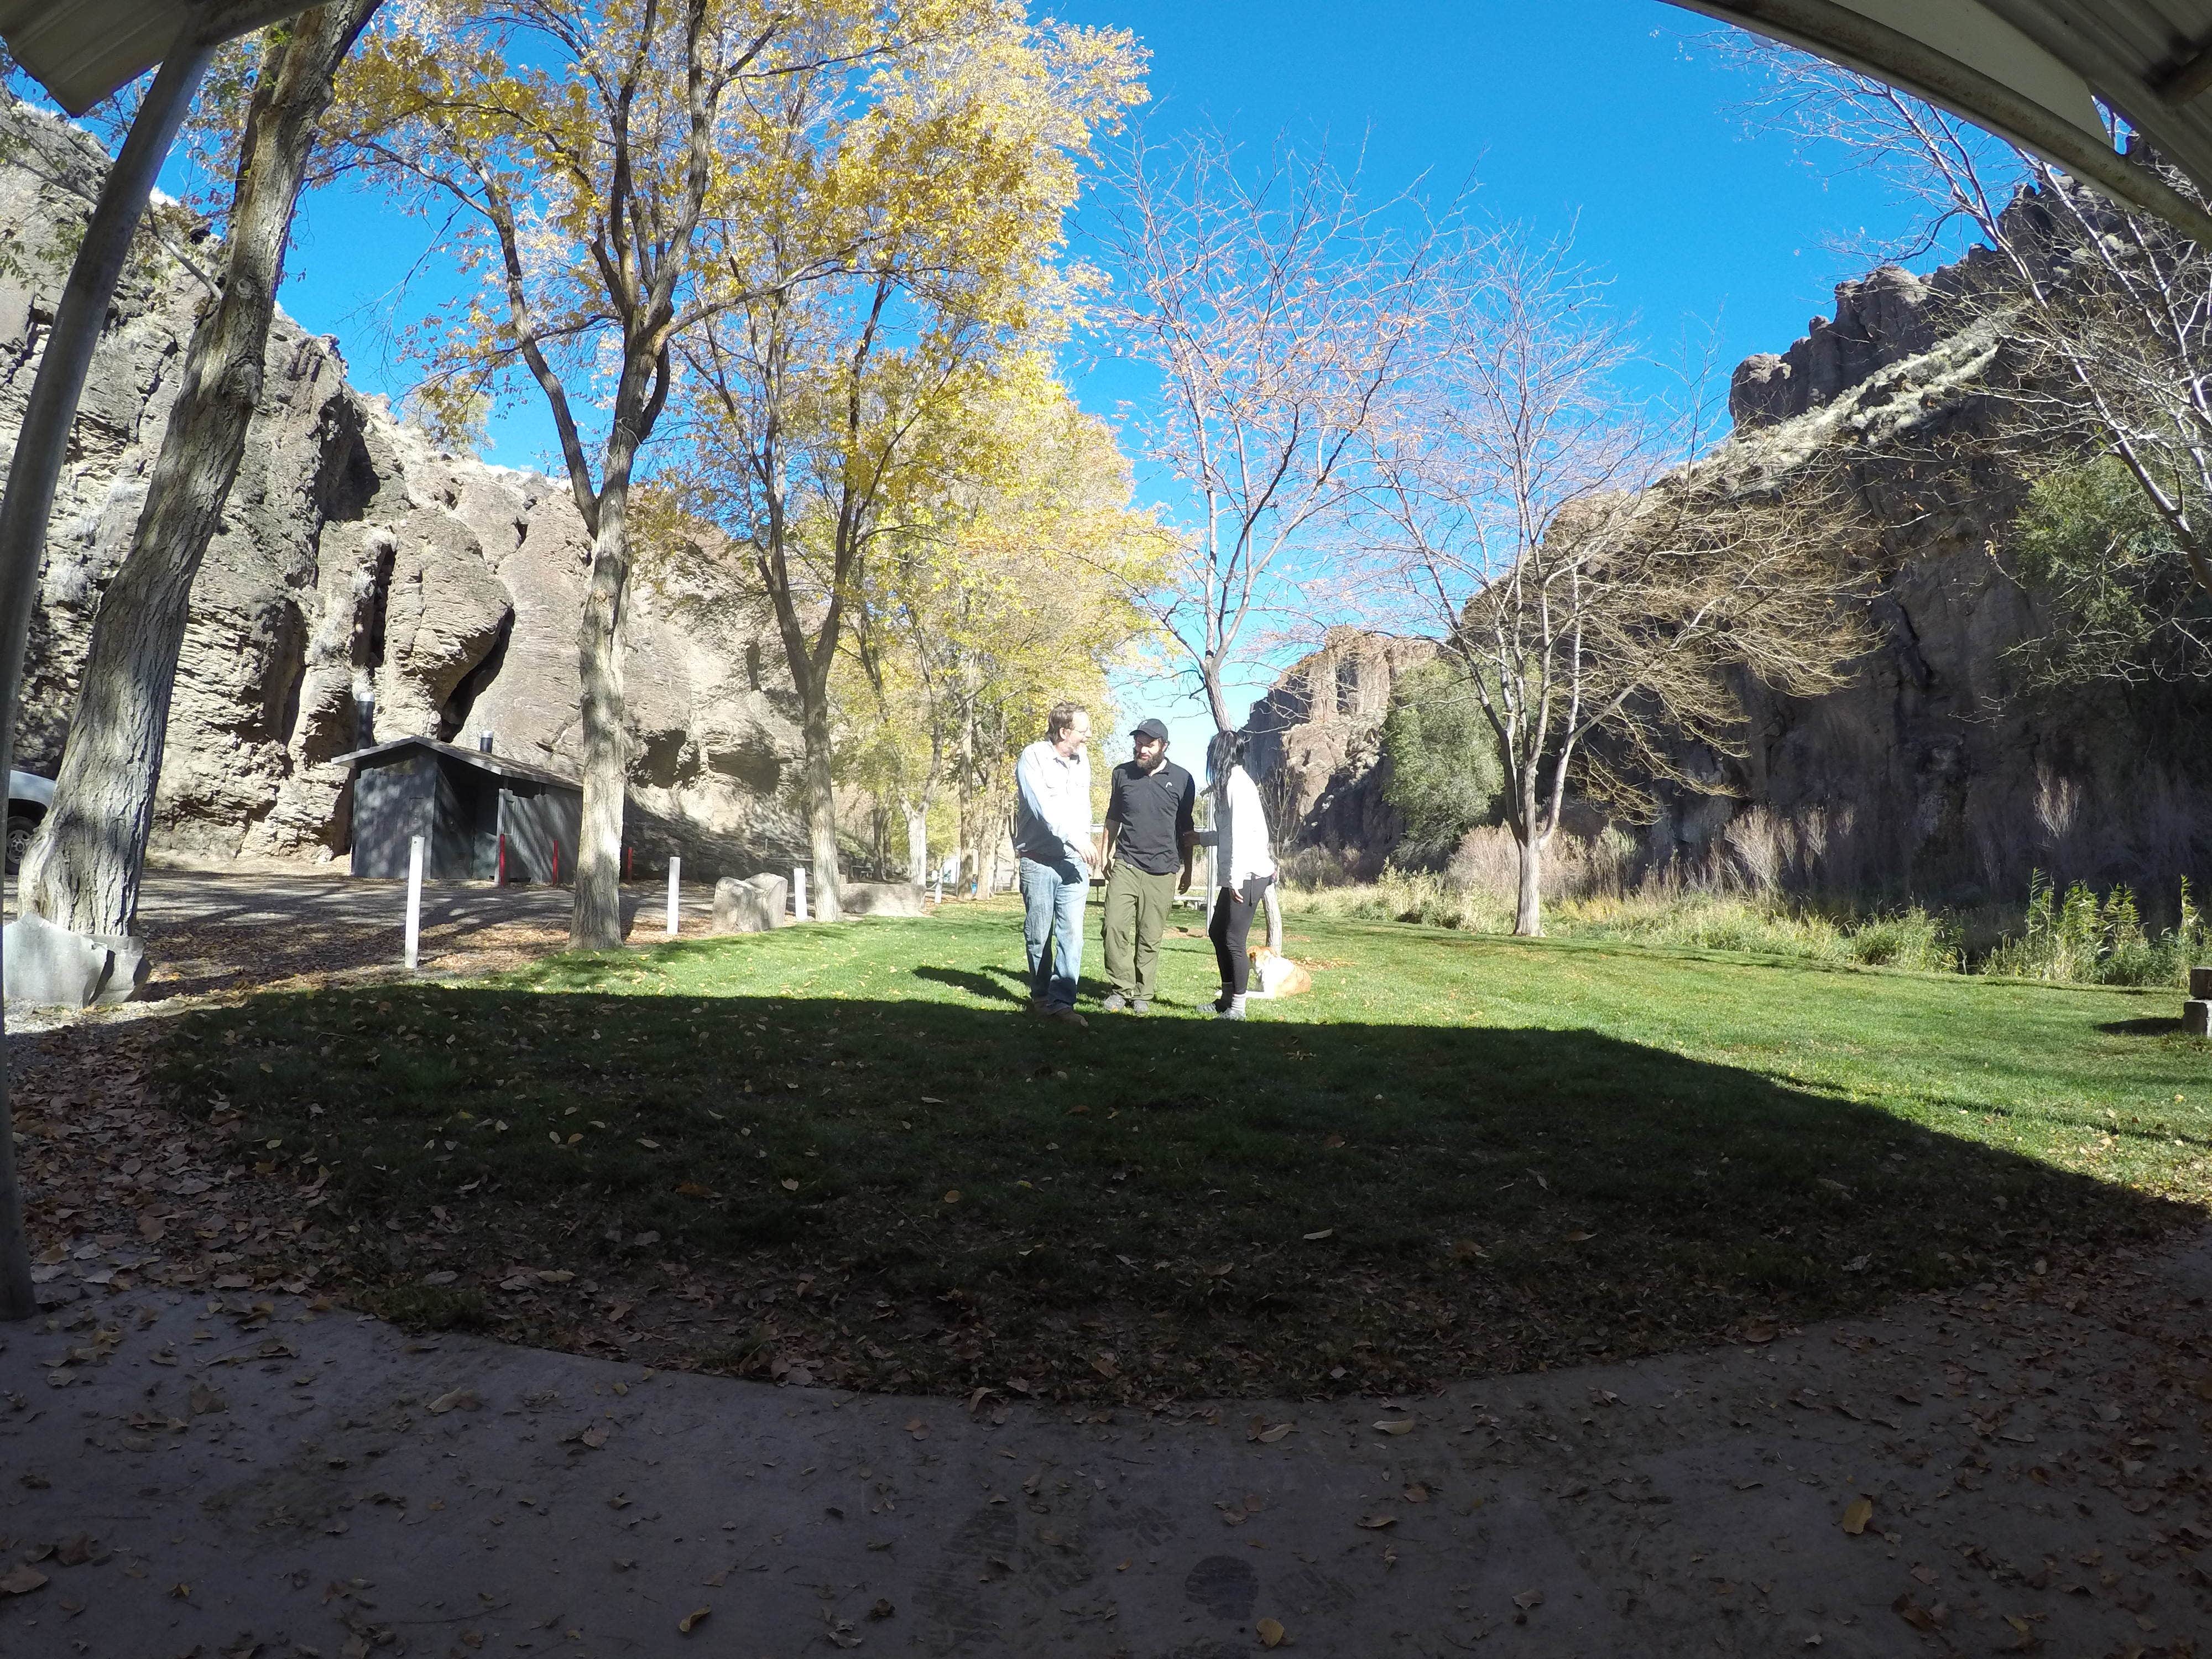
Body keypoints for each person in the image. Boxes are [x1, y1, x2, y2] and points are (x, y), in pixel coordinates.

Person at [1099, 717, 1196, 1013]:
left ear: (1163, 746)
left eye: (1148, 745)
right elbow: (1113, 816)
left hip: (1163, 869)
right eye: (1138, 743)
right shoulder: (1121, 774)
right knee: (1113, 927)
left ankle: (1143, 993)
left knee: (1150, 935)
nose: (1141, 750)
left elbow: (1186, 829)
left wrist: (1188, 869)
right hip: (1126, 863)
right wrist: (1105, 853)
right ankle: (1120, 988)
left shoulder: (1183, 779)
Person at [1013, 702, 1095, 1027]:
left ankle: (1063, 1002)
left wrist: (1084, 843)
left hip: (1074, 861)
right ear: (1064, 732)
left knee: (1072, 932)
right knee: (1038, 933)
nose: (1089, 735)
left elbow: (1081, 806)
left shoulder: (1083, 760)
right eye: (1083, 729)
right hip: (1038, 860)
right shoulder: (1033, 757)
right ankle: (1041, 997)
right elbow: (1043, 808)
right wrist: (1078, 838)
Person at [1204, 729, 1276, 1020]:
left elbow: (1244, 836)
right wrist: (1200, 839)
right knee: (1216, 932)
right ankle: (1226, 999)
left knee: (1234, 939)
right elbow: (1226, 832)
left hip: (1249, 874)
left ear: (1221, 754)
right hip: (1239, 873)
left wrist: (1235, 878)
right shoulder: (1228, 784)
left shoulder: (1238, 784)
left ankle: (1238, 1008)